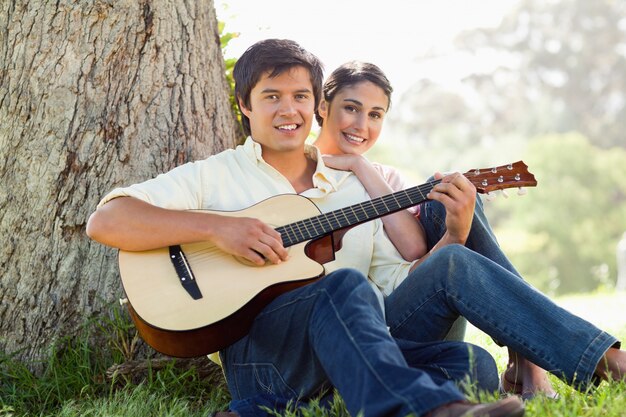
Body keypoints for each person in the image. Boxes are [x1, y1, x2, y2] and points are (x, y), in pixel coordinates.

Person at [86, 39, 523, 417]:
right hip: (263, 360)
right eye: (271, 96)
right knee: (344, 286)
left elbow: (395, 281)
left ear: (316, 107)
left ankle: (281, 411)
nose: (288, 109)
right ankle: (423, 408)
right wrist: (219, 229)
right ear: (245, 104)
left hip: (345, 351)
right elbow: (107, 220)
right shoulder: (215, 175)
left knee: (471, 364)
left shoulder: (354, 189)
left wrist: (453, 236)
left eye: (299, 96)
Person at [313, 61, 626, 397]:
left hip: (414, 314)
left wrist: (363, 169)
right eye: (351, 108)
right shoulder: (298, 175)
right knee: (477, 360)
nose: (362, 125)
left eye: (376, 115)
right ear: (322, 106)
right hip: (360, 329)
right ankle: (545, 360)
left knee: (449, 196)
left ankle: (536, 359)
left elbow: (416, 253)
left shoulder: (385, 179)